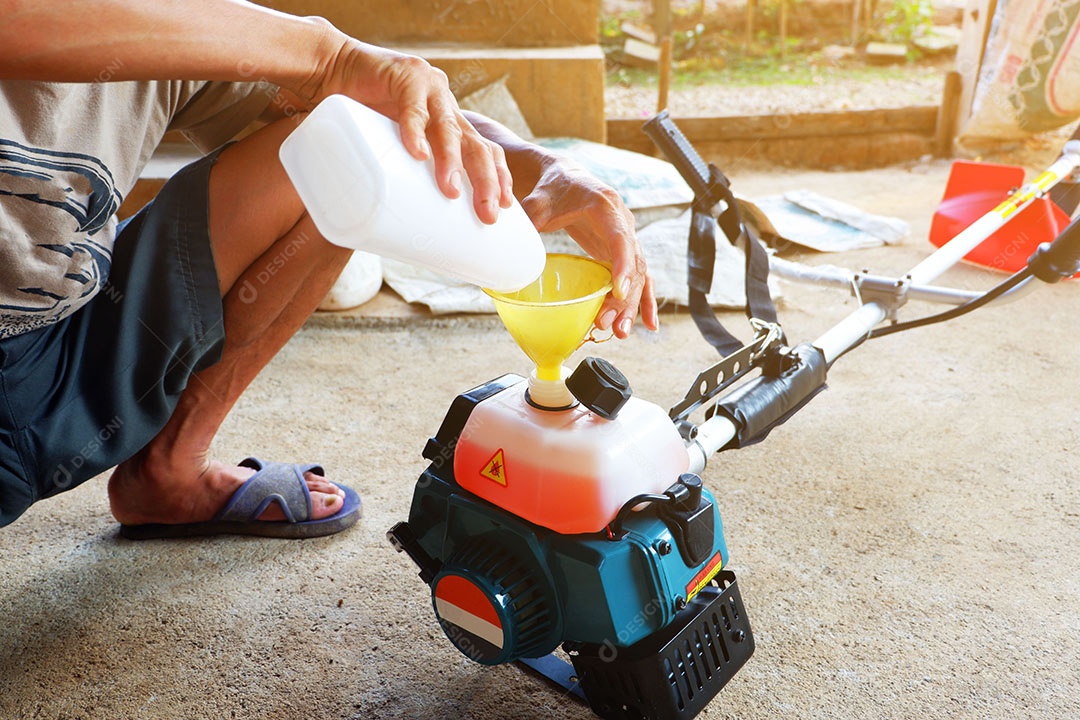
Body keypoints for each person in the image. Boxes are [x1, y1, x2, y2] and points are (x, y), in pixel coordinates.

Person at [0, 2, 658, 536]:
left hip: (73, 344)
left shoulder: (166, 21)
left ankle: (170, 469)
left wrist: (551, 170)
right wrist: (329, 52)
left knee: (342, 145)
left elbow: (374, 113)